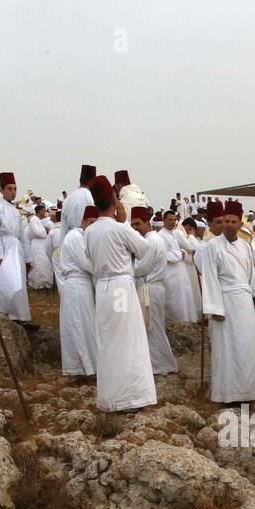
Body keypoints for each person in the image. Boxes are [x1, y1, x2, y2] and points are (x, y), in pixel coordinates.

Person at [84, 175, 155, 412]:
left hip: (103, 289)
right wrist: (124, 222)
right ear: (115, 200)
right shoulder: (119, 229)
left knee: (109, 342)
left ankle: (111, 396)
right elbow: (144, 249)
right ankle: (130, 397)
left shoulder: (90, 232)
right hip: (121, 287)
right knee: (128, 341)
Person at [200, 200, 255, 404]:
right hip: (225, 303)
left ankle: (249, 392)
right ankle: (229, 395)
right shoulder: (212, 247)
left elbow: (251, 279)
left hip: (245, 303)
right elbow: (210, 278)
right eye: (226, 221)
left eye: (233, 221)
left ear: (240, 223)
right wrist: (215, 308)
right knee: (228, 349)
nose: (229, 225)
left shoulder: (246, 247)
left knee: (247, 346)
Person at [129, 206, 177, 375]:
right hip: (151, 288)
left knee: (152, 329)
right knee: (152, 328)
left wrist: (127, 264)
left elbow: (141, 268)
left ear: (146, 223)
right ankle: (159, 363)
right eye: (132, 224)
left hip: (150, 289)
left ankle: (162, 365)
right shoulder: (153, 239)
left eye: (138, 224)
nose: (135, 228)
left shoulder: (150, 241)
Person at [55, 206, 98, 377]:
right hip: (76, 286)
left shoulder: (84, 237)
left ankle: (87, 366)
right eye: (91, 223)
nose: (93, 227)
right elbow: (88, 264)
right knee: (78, 325)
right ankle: (81, 367)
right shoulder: (74, 237)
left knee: (85, 325)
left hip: (83, 286)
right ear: (84, 222)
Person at [0, 172, 33, 324]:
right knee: (4, 281)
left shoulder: (15, 211)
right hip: (4, 249)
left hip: (16, 249)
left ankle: (19, 315)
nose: (13, 192)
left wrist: (28, 257)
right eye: (9, 188)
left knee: (18, 281)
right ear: (1, 190)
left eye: (15, 189)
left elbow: (21, 235)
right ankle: (4, 311)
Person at [160, 210, 198, 324]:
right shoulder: (161, 236)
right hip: (170, 275)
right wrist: (179, 254)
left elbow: (184, 249)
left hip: (180, 274)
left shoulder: (175, 233)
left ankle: (185, 324)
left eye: (174, 220)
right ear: (164, 220)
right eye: (170, 220)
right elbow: (163, 255)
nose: (172, 222)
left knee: (184, 300)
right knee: (174, 303)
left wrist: (182, 253)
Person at [60, 164, 95, 245]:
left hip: (70, 243)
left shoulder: (67, 200)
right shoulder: (91, 197)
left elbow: (63, 230)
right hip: (87, 242)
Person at [27, 204, 55, 290]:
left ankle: (47, 283)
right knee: (39, 263)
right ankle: (40, 283)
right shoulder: (33, 220)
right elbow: (37, 233)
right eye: (43, 210)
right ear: (39, 211)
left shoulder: (38, 220)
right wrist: (45, 230)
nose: (45, 212)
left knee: (45, 262)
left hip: (42, 244)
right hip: (37, 244)